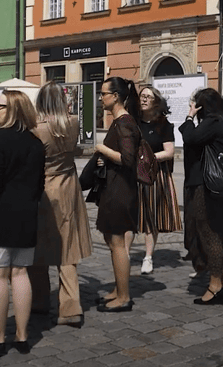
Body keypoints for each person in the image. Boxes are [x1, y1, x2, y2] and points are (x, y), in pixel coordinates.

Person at [0, 90, 45, 356]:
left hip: (0, 214)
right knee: (21, 273)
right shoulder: (35, 142)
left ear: (13, 109)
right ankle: (23, 336)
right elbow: (39, 184)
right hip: (26, 215)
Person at [26, 82, 92, 328]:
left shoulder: (37, 129)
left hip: (44, 189)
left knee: (38, 246)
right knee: (67, 248)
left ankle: (39, 301)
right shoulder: (73, 122)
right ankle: (70, 306)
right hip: (69, 186)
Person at [178, 88, 223, 305]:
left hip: (204, 186)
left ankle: (214, 286)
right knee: (217, 232)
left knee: (210, 234)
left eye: (195, 104)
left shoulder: (212, 122)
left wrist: (189, 117)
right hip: (214, 186)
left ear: (202, 106)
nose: (193, 108)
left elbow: (189, 136)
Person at [93, 77, 141, 312]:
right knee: (111, 241)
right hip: (114, 187)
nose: (101, 98)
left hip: (121, 189)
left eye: (103, 94)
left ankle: (124, 297)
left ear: (115, 96)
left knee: (118, 242)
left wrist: (103, 150)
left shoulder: (124, 123)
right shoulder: (119, 122)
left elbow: (128, 159)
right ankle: (118, 289)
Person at [127, 85, 182, 275]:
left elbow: (169, 152)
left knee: (150, 218)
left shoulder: (163, 124)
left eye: (148, 97)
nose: (143, 99)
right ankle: (124, 255)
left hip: (154, 176)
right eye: (142, 96)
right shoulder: (133, 122)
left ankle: (148, 257)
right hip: (133, 175)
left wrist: (147, 157)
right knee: (130, 218)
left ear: (156, 102)